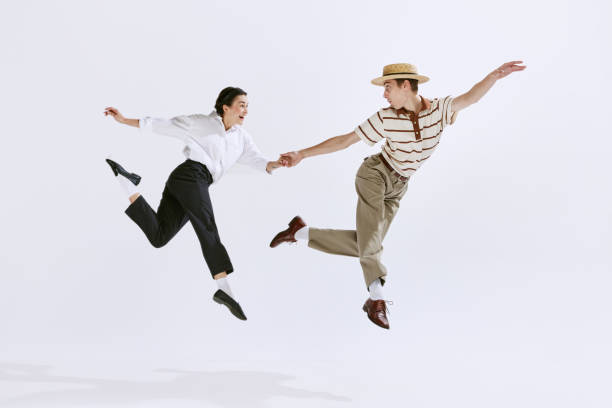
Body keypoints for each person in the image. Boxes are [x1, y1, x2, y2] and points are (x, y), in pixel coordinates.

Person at [269, 61, 526, 329]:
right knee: (371, 247)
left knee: (366, 245)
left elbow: (469, 98)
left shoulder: (439, 110)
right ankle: (376, 299)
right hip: (374, 175)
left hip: (399, 186)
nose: (384, 94)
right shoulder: (385, 118)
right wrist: (302, 154)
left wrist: (495, 76)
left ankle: (299, 232)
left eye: (388, 87)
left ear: (406, 85)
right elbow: (345, 141)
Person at [104, 86, 286, 321]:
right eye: (241, 105)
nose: (246, 111)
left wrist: (278, 163)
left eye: (248, 106)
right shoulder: (201, 123)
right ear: (226, 107)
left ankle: (128, 184)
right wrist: (123, 119)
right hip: (190, 176)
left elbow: (260, 162)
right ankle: (224, 288)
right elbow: (162, 124)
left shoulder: (242, 138)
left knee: (160, 236)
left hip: (193, 183)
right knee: (207, 225)